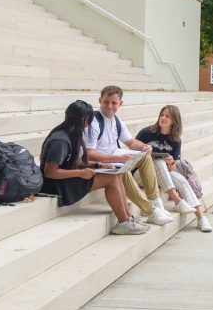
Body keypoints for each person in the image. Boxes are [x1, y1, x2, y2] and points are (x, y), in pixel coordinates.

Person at [39, 100, 148, 235]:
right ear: (84, 120)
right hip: (55, 185)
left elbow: (73, 161)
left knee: (116, 174)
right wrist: (80, 173)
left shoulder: (71, 133)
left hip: (65, 178)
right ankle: (123, 221)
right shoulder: (60, 140)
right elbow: (50, 172)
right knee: (111, 179)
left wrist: (97, 165)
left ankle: (129, 217)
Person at [83, 86, 174, 227]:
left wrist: (144, 147)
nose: (109, 106)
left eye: (114, 103)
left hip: (113, 161)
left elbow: (130, 142)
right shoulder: (94, 122)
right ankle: (151, 211)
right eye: (106, 102)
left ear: (120, 104)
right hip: (98, 164)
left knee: (145, 156)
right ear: (100, 100)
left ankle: (157, 203)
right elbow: (89, 154)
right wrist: (118, 159)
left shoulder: (117, 121)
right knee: (122, 170)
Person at [136, 105, 213, 232]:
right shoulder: (146, 133)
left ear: (174, 121)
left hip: (161, 176)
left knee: (180, 179)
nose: (163, 118)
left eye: (167, 116)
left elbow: (171, 169)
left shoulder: (175, 140)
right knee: (159, 162)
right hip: (140, 174)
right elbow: (132, 155)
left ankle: (201, 218)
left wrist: (171, 163)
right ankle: (178, 201)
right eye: (162, 115)